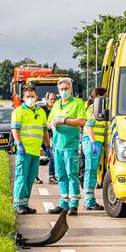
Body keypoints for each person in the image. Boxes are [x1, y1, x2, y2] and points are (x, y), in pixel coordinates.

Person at [46, 77, 88, 215]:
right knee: (61, 175)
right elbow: (48, 122)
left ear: (71, 89)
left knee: (72, 174)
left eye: (66, 88)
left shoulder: (77, 103)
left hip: (70, 145)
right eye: (62, 89)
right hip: (57, 145)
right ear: (58, 90)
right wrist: (52, 124)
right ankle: (63, 203)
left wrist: (64, 120)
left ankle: (73, 204)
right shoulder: (57, 104)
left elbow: (81, 121)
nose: (64, 91)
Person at [10, 85, 48, 215]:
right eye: (28, 96)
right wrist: (19, 144)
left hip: (36, 152)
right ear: (23, 97)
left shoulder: (41, 112)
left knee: (30, 179)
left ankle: (25, 204)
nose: (30, 98)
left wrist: (48, 146)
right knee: (21, 178)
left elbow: (44, 131)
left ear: (36, 97)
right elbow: (15, 129)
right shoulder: (18, 111)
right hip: (24, 151)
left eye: (32, 96)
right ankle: (17, 204)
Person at [81, 87, 109, 210]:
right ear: (99, 97)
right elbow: (89, 126)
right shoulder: (93, 108)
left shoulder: (100, 109)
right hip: (92, 142)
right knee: (91, 171)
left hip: (96, 143)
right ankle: (89, 202)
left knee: (92, 171)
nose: (107, 99)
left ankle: (90, 201)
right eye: (105, 96)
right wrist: (93, 142)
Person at [40, 91, 59, 184]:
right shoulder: (42, 110)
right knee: (51, 155)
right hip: (43, 138)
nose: (53, 100)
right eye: (51, 99)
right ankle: (51, 176)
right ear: (47, 100)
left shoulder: (58, 109)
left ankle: (54, 176)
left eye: (55, 99)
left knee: (54, 156)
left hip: (54, 138)